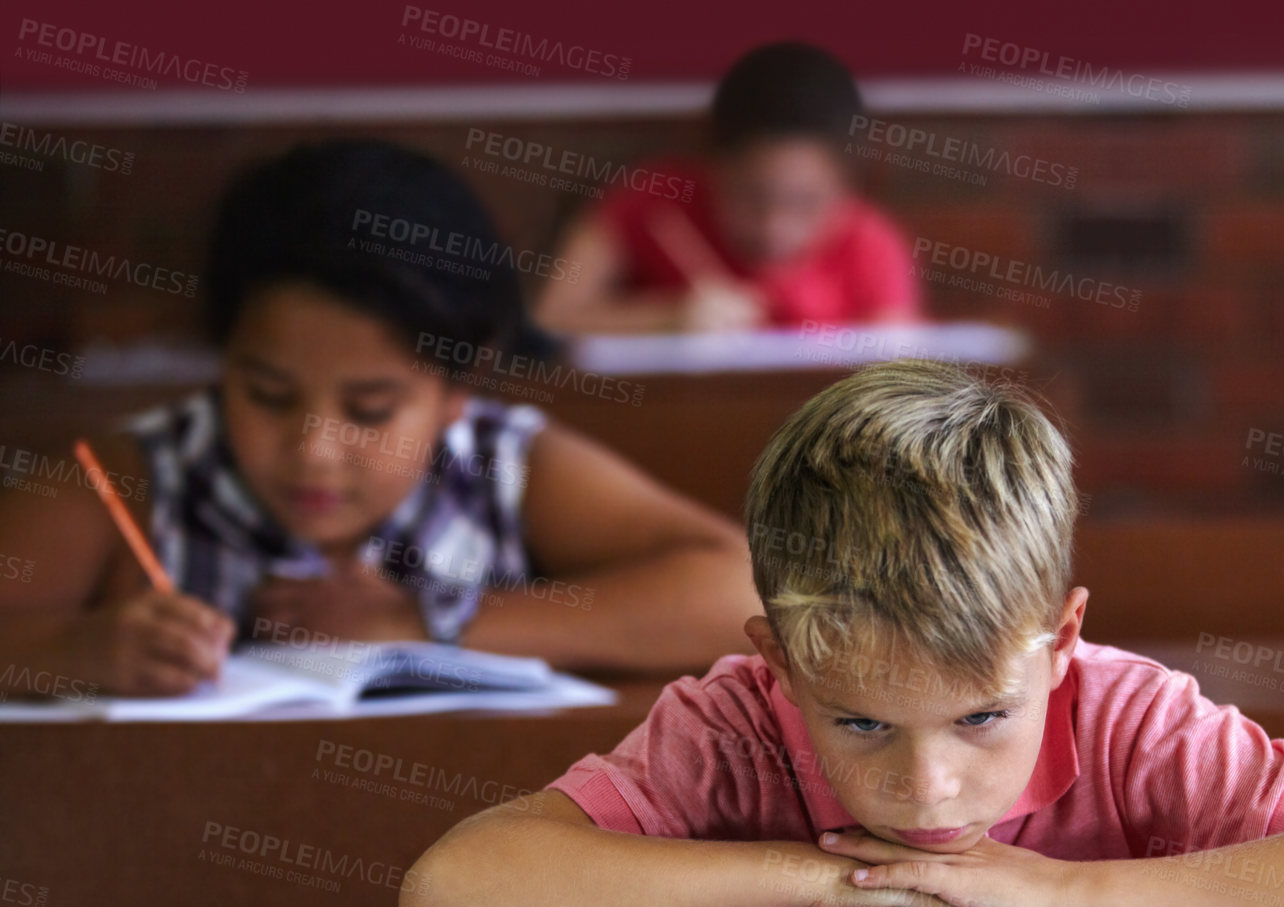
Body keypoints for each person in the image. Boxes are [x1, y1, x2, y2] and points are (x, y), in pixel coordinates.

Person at [400, 361, 1284, 907]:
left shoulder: (1128, 716)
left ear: (1059, 642)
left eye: (980, 719)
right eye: (862, 723)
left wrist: (1070, 897)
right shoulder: (733, 723)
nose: (924, 789)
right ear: (777, 660)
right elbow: (451, 894)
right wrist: (834, 883)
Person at [0, 139, 761, 697]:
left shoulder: (500, 462)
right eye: (267, 394)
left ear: (456, 390)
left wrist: (423, 623)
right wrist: (71, 648)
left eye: (370, 409)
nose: (314, 453)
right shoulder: (133, 475)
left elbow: (739, 595)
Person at [535, 41, 919, 335]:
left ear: (848, 184)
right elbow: (548, 320)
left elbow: (899, 351)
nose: (774, 227)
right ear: (712, 163)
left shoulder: (869, 240)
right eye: (750, 196)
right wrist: (667, 319)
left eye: (806, 202)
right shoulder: (652, 201)